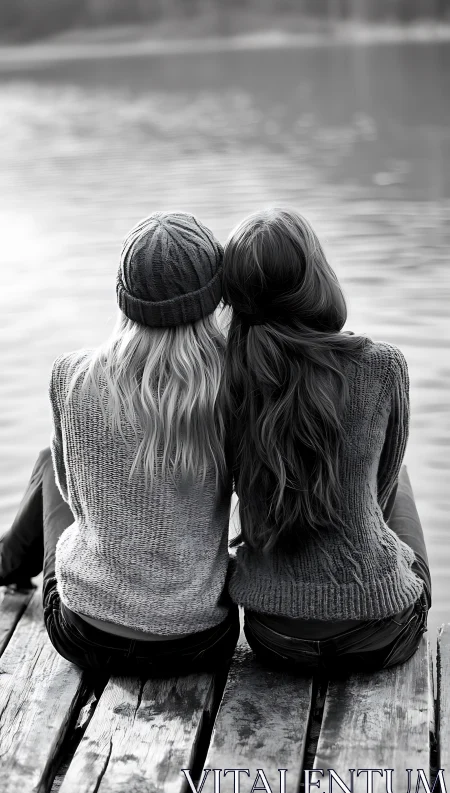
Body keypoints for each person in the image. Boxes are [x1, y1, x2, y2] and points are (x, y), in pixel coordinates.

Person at [0, 211, 240, 687]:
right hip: (200, 640)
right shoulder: (236, 385)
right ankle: (7, 560)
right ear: (214, 294)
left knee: (50, 463)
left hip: (86, 633)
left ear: (124, 296)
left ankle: (7, 562)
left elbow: (72, 496)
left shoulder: (72, 376)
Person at [219, 206, 431, 676]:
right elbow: (380, 493)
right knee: (399, 477)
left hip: (273, 637)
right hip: (376, 632)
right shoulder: (383, 367)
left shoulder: (224, 376)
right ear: (316, 276)